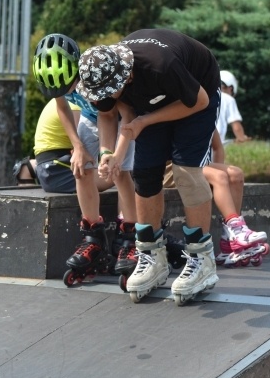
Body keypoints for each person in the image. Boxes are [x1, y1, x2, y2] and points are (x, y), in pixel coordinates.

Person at [78, 28, 221, 305]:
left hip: (197, 94)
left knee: (185, 172)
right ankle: (152, 256)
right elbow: (109, 114)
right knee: (145, 173)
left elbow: (199, 101)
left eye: (109, 91)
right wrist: (109, 153)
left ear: (125, 77)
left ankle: (201, 258)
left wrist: (144, 121)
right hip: (154, 101)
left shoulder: (160, 64)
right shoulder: (104, 75)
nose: (103, 96)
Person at [31, 34, 138, 283]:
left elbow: (116, 114)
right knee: (81, 168)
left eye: (70, 89)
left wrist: (110, 153)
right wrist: (77, 147)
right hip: (92, 118)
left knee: (120, 172)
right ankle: (93, 236)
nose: (67, 94)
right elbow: (62, 108)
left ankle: (131, 235)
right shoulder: (58, 82)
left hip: (121, 121)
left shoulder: (94, 73)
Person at [163, 131, 270, 268]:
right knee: (219, 177)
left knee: (236, 174)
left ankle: (231, 238)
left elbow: (217, 147)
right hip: (171, 167)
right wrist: (216, 178)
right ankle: (236, 232)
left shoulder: (207, 110)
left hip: (195, 164)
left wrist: (219, 185)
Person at [217, 69, 251, 146]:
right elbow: (236, 126)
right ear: (231, 88)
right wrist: (242, 138)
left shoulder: (206, 97)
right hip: (214, 144)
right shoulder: (228, 99)